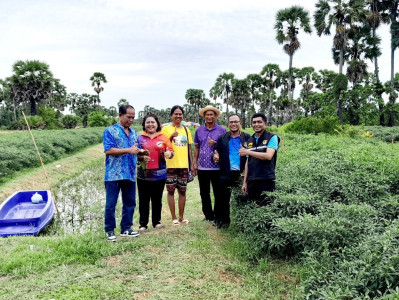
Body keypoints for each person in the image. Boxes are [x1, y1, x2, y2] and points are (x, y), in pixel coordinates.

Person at [103, 104, 145, 241]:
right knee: (111, 204)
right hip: (113, 174)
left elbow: (135, 150)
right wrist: (128, 150)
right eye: (129, 117)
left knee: (130, 202)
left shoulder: (134, 133)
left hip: (130, 173)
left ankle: (126, 228)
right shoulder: (110, 131)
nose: (131, 120)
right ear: (120, 115)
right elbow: (108, 150)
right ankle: (109, 230)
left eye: (133, 117)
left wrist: (142, 155)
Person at [137, 113, 174, 232]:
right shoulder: (139, 138)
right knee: (143, 200)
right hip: (143, 175)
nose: (150, 124)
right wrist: (142, 157)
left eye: (153, 122)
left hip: (160, 174)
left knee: (157, 199)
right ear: (144, 124)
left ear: (157, 124)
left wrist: (169, 154)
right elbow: (134, 154)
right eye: (148, 122)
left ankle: (156, 222)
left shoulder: (163, 137)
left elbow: (171, 151)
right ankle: (143, 224)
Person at [212, 114, 250, 228]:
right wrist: (215, 155)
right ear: (228, 124)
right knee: (223, 199)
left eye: (236, 122)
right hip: (225, 173)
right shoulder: (222, 138)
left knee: (242, 199)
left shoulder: (247, 137)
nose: (233, 124)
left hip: (241, 173)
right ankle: (223, 222)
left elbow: (251, 155)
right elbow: (216, 150)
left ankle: (242, 224)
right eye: (231, 122)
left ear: (240, 123)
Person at [161, 105, 194, 225]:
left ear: (183, 116)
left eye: (180, 114)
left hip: (183, 164)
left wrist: (192, 164)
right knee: (170, 191)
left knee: (183, 191)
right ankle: (174, 218)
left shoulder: (186, 130)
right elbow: (162, 146)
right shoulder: (166, 129)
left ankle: (181, 217)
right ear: (171, 115)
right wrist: (171, 137)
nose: (178, 116)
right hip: (170, 165)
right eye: (176, 114)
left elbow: (189, 148)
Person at [193, 105, 226, 222]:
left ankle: (217, 215)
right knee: (204, 193)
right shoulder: (199, 130)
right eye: (207, 114)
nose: (209, 116)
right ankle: (208, 215)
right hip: (202, 167)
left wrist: (216, 143)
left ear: (215, 116)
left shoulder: (222, 130)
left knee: (218, 193)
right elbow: (196, 147)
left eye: (212, 114)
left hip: (217, 168)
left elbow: (225, 146)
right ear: (204, 116)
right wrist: (194, 163)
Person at [239, 113, 279, 204]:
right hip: (252, 181)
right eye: (254, 122)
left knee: (266, 207)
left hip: (266, 179)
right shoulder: (250, 140)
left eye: (259, 122)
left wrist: (248, 152)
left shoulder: (272, 137)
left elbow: (268, 156)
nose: (256, 124)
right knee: (253, 207)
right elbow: (247, 162)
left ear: (265, 124)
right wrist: (245, 182)